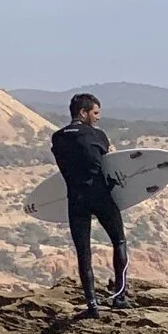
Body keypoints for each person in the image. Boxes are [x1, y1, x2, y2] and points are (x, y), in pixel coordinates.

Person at [51, 93, 128, 315]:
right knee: (119, 241)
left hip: (75, 200)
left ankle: (92, 304)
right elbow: (110, 161)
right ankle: (120, 297)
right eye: (95, 113)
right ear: (83, 113)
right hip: (101, 196)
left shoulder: (57, 138)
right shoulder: (97, 135)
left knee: (83, 252)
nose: (97, 118)